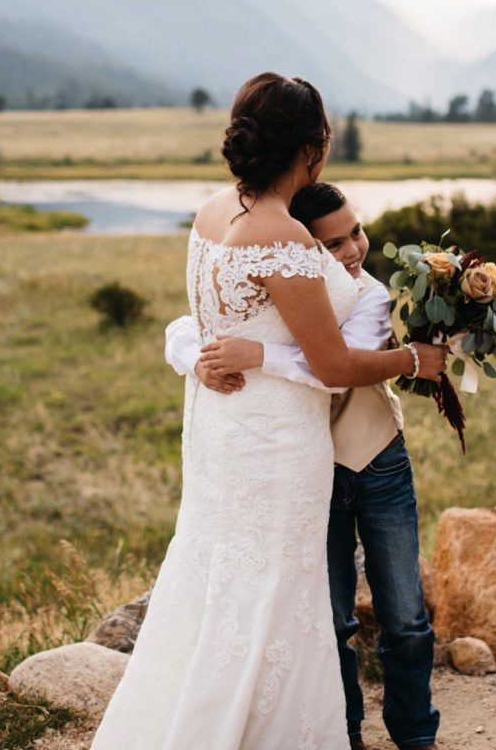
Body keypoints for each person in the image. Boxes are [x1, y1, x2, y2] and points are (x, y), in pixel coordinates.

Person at [90, 73, 447, 750]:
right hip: (278, 440)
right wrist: (413, 362)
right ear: (312, 149)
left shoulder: (211, 212)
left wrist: (203, 355)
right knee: (278, 586)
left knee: (218, 575)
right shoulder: (282, 238)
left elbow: (210, 318)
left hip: (222, 430)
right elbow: (335, 366)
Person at [166, 182, 441, 750]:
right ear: (302, 250)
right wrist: (202, 360)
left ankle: (416, 736)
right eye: (333, 244)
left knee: (407, 619)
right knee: (331, 619)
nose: (352, 252)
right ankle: (343, 735)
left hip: (377, 459)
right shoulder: (282, 287)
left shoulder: (368, 296)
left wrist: (257, 354)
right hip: (310, 472)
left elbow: (336, 366)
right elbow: (187, 327)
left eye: (356, 233)